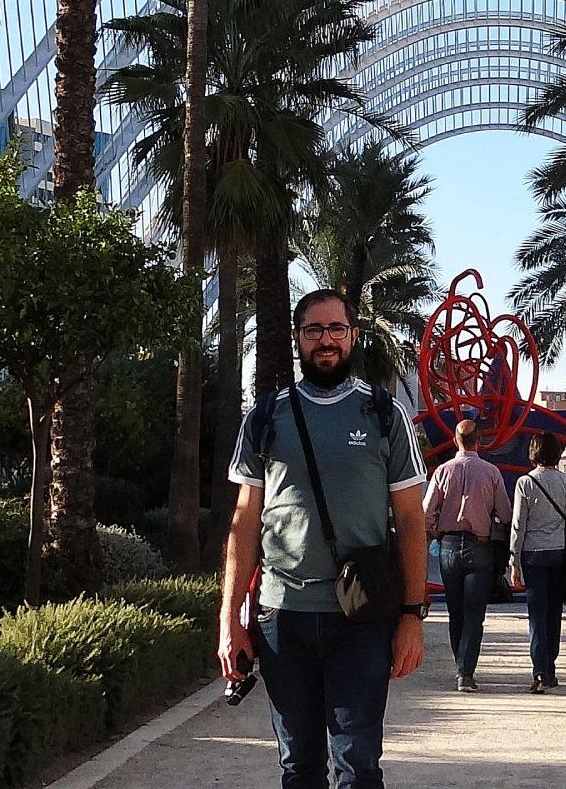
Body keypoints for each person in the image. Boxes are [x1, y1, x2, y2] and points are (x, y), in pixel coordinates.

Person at [219, 289, 430, 789]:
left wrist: (411, 616)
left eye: (336, 329)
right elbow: (244, 523)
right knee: (299, 767)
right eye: (313, 330)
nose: (326, 340)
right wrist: (230, 618)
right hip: (281, 617)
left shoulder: (383, 413)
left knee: (358, 767)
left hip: (361, 619)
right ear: (297, 340)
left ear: (353, 336)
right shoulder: (266, 416)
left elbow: (412, 522)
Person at [421, 415, 507, 691]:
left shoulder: (443, 471)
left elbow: (425, 512)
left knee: (455, 609)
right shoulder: (491, 473)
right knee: (474, 611)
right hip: (479, 545)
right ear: (479, 441)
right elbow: (505, 513)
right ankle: (465, 671)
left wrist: (434, 530)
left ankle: (461, 664)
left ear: (455, 439)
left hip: (448, 546)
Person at [508, 431, 566, 692]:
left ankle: (539, 670)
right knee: (554, 613)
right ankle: (550, 669)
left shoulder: (525, 483)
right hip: (560, 552)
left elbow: (518, 525)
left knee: (536, 614)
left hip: (532, 555)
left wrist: (514, 561)